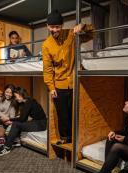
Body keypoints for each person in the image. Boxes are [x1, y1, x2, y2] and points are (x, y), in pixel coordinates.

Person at [42, 10, 93, 144]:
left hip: (76, 81)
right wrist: (51, 87)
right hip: (59, 84)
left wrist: (83, 26)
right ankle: (66, 139)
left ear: (62, 25)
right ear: (47, 26)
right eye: (52, 27)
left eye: (57, 27)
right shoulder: (46, 45)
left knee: (77, 112)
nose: (54, 30)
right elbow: (47, 69)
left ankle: (78, 138)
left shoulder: (72, 34)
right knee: (62, 114)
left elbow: (92, 34)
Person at [0, 87, 47, 156]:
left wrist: (9, 119)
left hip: (41, 124)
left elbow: (22, 119)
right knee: (17, 123)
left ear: (20, 94)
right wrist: (12, 120)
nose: (16, 98)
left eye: (16, 96)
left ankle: (7, 147)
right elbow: (23, 118)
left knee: (16, 124)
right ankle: (15, 140)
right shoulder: (26, 102)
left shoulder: (29, 102)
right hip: (36, 122)